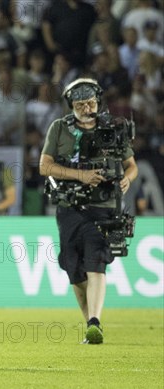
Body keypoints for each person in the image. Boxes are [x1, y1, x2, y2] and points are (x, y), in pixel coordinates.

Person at [39, 78, 138, 344]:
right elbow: (44, 166)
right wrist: (79, 176)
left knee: (96, 263)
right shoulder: (59, 128)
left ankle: (95, 321)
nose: (87, 108)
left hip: (104, 206)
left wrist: (128, 178)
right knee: (74, 268)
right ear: (71, 104)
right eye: (81, 104)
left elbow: (132, 165)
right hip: (69, 207)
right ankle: (91, 325)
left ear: (98, 102)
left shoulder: (113, 127)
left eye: (92, 102)